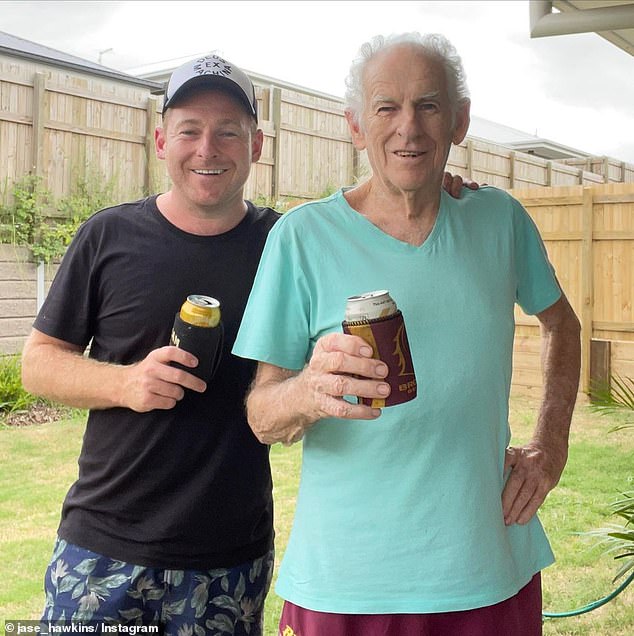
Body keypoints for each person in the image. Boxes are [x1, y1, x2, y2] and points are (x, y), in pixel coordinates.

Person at [21, 52, 473, 634]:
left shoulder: (290, 243)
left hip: (228, 558)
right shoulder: (108, 235)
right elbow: (38, 364)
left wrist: (438, 182)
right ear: (161, 140)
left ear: (257, 145)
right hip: (101, 546)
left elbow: (379, 212)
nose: (208, 148)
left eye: (228, 132)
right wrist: (125, 382)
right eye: (190, 130)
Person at [233, 32, 581, 636]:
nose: (409, 129)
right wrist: (311, 389)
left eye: (429, 105)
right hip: (347, 580)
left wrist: (549, 448)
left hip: (487, 565)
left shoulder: (499, 220)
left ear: (460, 120)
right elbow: (262, 417)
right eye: (385, 108)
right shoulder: (301, 238)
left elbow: (563, 325)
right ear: (356, 126)